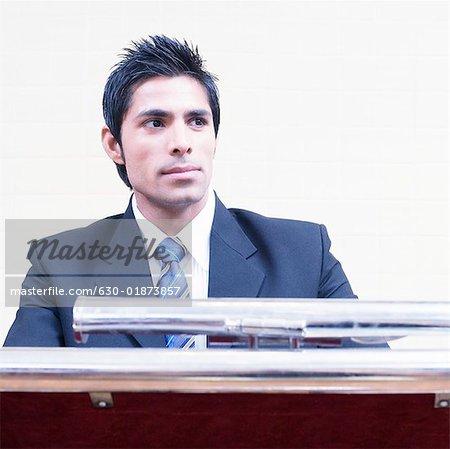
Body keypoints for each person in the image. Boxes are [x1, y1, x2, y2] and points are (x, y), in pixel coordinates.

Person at [4, 35, 356, 348]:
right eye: (155, 123)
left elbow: (376, 399)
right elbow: (22, 410)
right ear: (114, 145)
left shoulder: (305, 254)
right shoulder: (59, 265)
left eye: (197, 122)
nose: (181, 143)